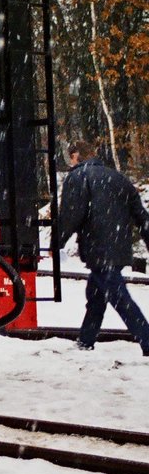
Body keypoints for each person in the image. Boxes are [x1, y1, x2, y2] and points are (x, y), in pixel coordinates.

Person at [58, 139, 149, 356]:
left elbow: (72, 215)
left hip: (98, 247)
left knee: (119, 297)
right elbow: (141, 216)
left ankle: (147, 339)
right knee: (96, 294)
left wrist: (57, 240)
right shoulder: (118, 178)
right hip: (117, 247)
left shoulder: (78, 177)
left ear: (75, 156)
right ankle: (86, 339)